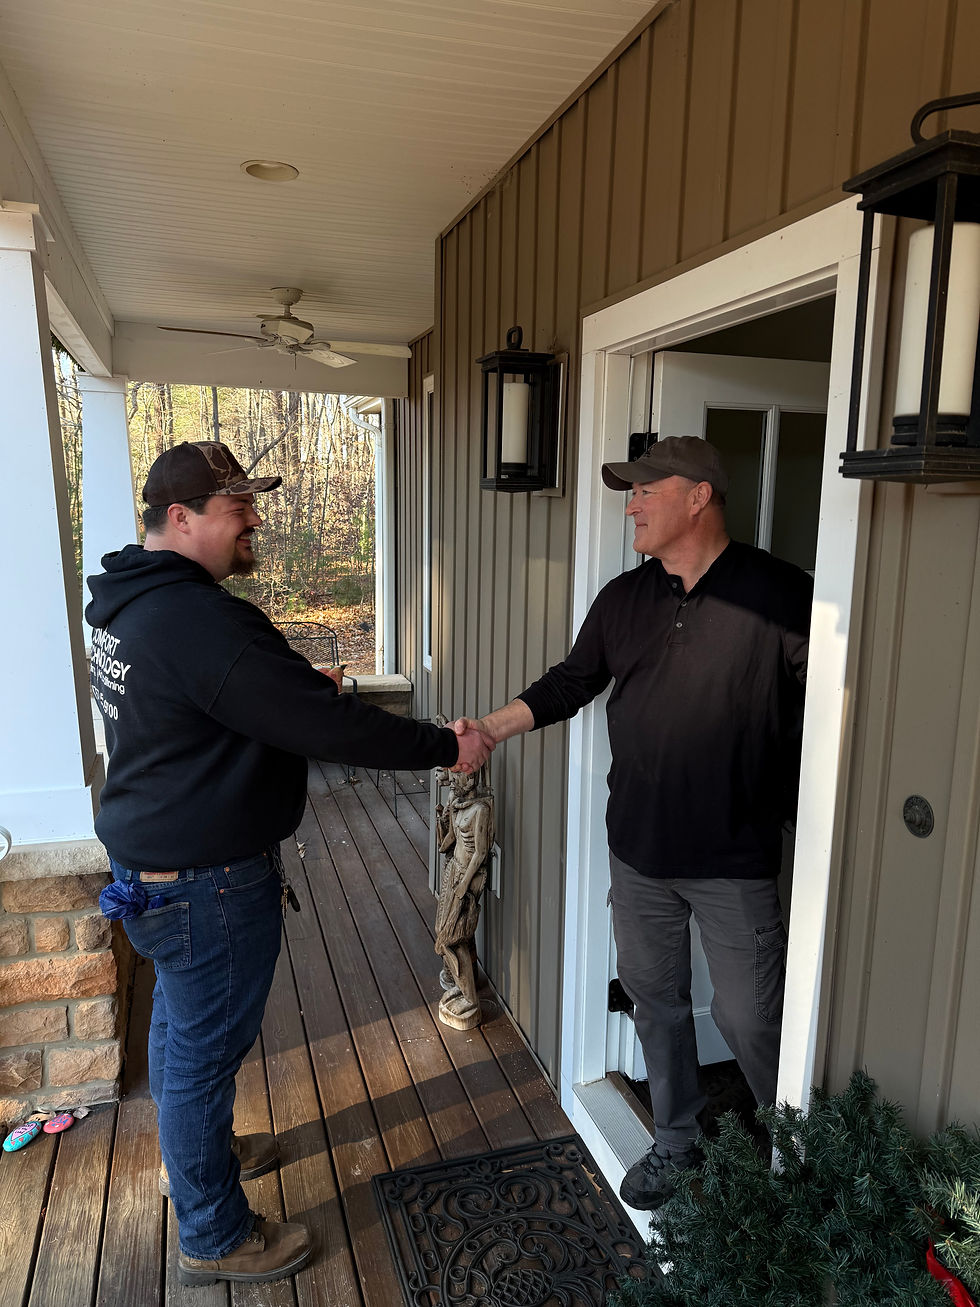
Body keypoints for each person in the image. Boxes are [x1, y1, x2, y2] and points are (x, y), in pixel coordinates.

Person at [86, 439, 493, 1286]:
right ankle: (213, 1232)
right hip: (205, 881)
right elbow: (329, 727)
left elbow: (211, 700)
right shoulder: (199, 620)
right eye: (238, 508)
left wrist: (277, 684)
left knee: (177, 1034)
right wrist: (441, 747)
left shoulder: (129, 604)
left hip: (151, 868)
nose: (256, 520)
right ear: (181, 516)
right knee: (200, 1051)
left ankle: (195, 1155)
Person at [452, 435, 811, 1211]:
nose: (632, 503)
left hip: (734, 860)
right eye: (630, 490)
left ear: (699, 496)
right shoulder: (624, 598)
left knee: (753, 1017)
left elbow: (832, 717)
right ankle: (676, 1141)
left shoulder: (782, 595)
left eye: (646, 488)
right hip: (639, 852)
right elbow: (569, 683)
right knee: (657, 999)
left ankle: (793, 1154)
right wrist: (487, 727)